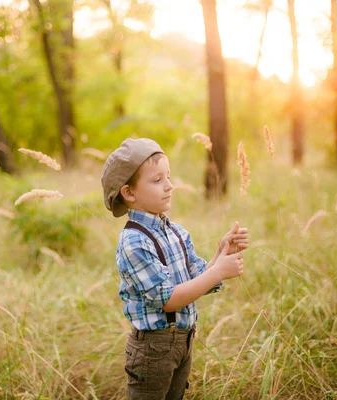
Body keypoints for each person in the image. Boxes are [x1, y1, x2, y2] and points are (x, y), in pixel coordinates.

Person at [101, 138, 249, 399]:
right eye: (157, 180)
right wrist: (219, 271)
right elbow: (168, 300)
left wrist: (220, 253)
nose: (170, 186)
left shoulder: (176, 232)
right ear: (129, 193)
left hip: (184, 341)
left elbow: (197, 276)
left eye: (168, 177)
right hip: (152, 350)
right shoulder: (134, 242)